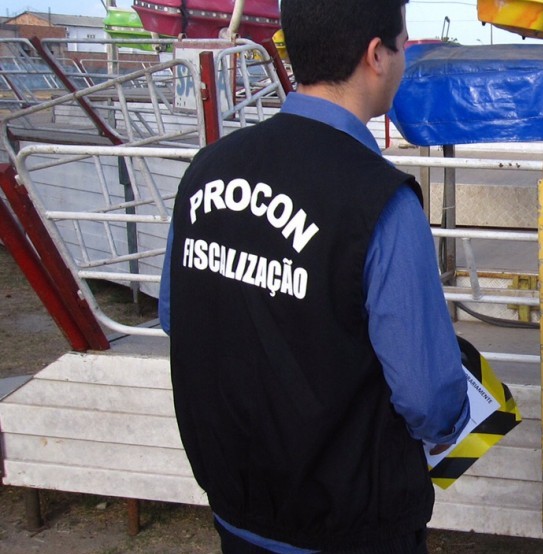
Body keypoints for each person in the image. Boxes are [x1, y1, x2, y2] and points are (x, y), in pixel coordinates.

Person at [158, 0, 470, 551]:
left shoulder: (207, 169)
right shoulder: (381, 203)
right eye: (403, 46)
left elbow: (176, 317)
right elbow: (431, 401)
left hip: (238, 512)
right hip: (351, 527)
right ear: (377, 55)